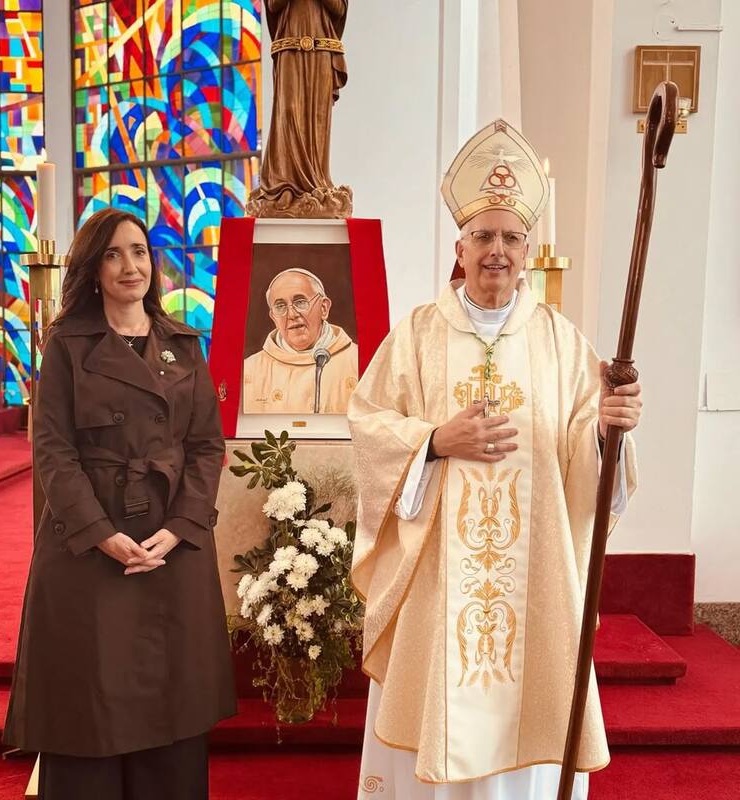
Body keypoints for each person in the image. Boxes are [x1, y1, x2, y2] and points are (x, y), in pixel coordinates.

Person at [349, 119, 642, 799]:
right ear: (460, 246)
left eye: (511, 238)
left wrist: (608, 430)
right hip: (436, 581)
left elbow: (585, 457)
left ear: (529, 250)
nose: (497, 252)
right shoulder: (417, 335)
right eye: (483, 236)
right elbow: (368, 425)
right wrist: (433, 442)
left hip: (535, 581)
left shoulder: (562, 342)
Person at [3, 208, 235, 799]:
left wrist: (181, 526)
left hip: (172, 549)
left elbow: (206, 446)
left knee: (170, 704)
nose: (130, 266)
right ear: (93, 268)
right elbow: (53, 451)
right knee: (90, 707)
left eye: (139, 251)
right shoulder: (66, 345)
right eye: (113, 254)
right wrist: (101, 533)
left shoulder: (184, 344)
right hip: (89, 550)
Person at [246, 0, 351, 218]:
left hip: (321, 50)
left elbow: (338, 8)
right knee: (288, 113)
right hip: (289, 49)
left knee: (317, 119)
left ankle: (316, 183)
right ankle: (283, 185)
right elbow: (273, 6)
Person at [243, 267, 358, 413]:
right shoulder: (249, 370)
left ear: (324, 308)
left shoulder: (358, 362)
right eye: (280, 306)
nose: (291, 314)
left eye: (300, 302)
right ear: (274, 318)